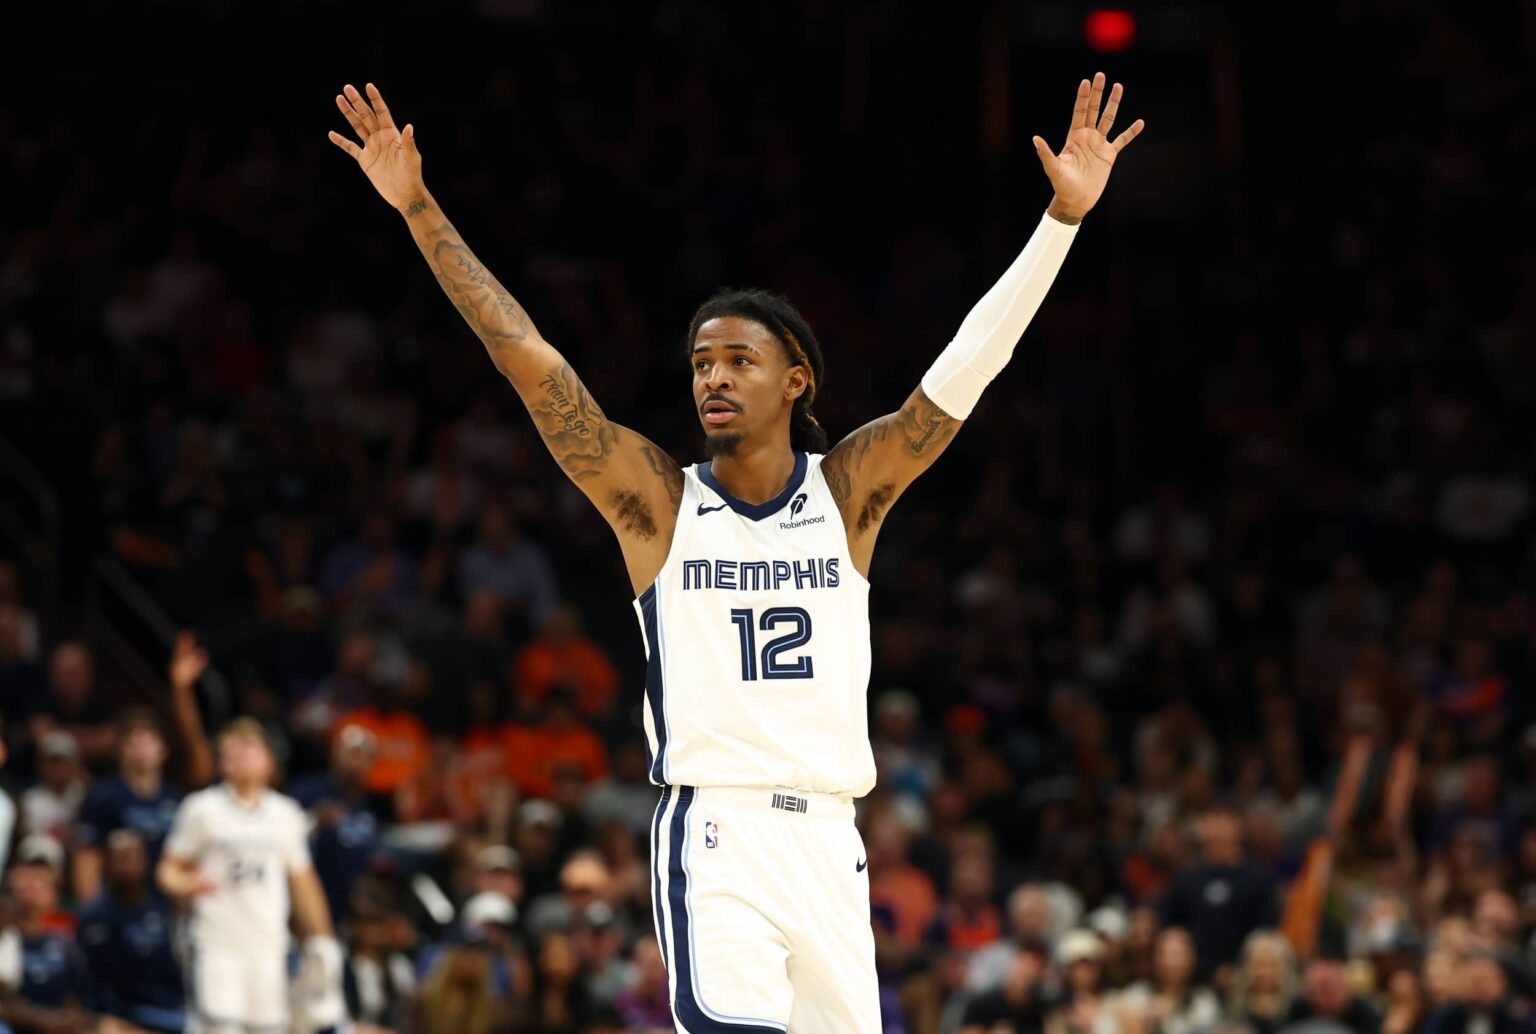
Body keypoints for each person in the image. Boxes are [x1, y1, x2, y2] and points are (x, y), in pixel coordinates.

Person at [329, 70, 1143, 1032]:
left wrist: (1061, 220)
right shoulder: (659, 504)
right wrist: (419, 208)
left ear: (796, 379)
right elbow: (530, 363)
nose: (712, 379)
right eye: (700, 365)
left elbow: (964, 373)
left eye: (738, 361)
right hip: (717, 830)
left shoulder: (847, 493)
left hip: (833, 841)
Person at [156, 718, 342, 1034]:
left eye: (250, 749)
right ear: (222, 761)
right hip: (217, 943)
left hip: (268, 944)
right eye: (233, 750)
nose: (242, 757)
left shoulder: (286, 814)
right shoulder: (202, 808)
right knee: (221, 1028)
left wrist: (323, 939)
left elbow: (303, 882)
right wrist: (185, 885)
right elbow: (167, 869)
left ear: (268, 761)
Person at [75, 830, 185, 1034]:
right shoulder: (95, 917)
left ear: (145, 861)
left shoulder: (161, 908)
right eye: (120, 859)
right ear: (106, 864)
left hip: (173, 1009)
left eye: (133, 858)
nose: (127, 866)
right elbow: (96, 983)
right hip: (125, 1016)